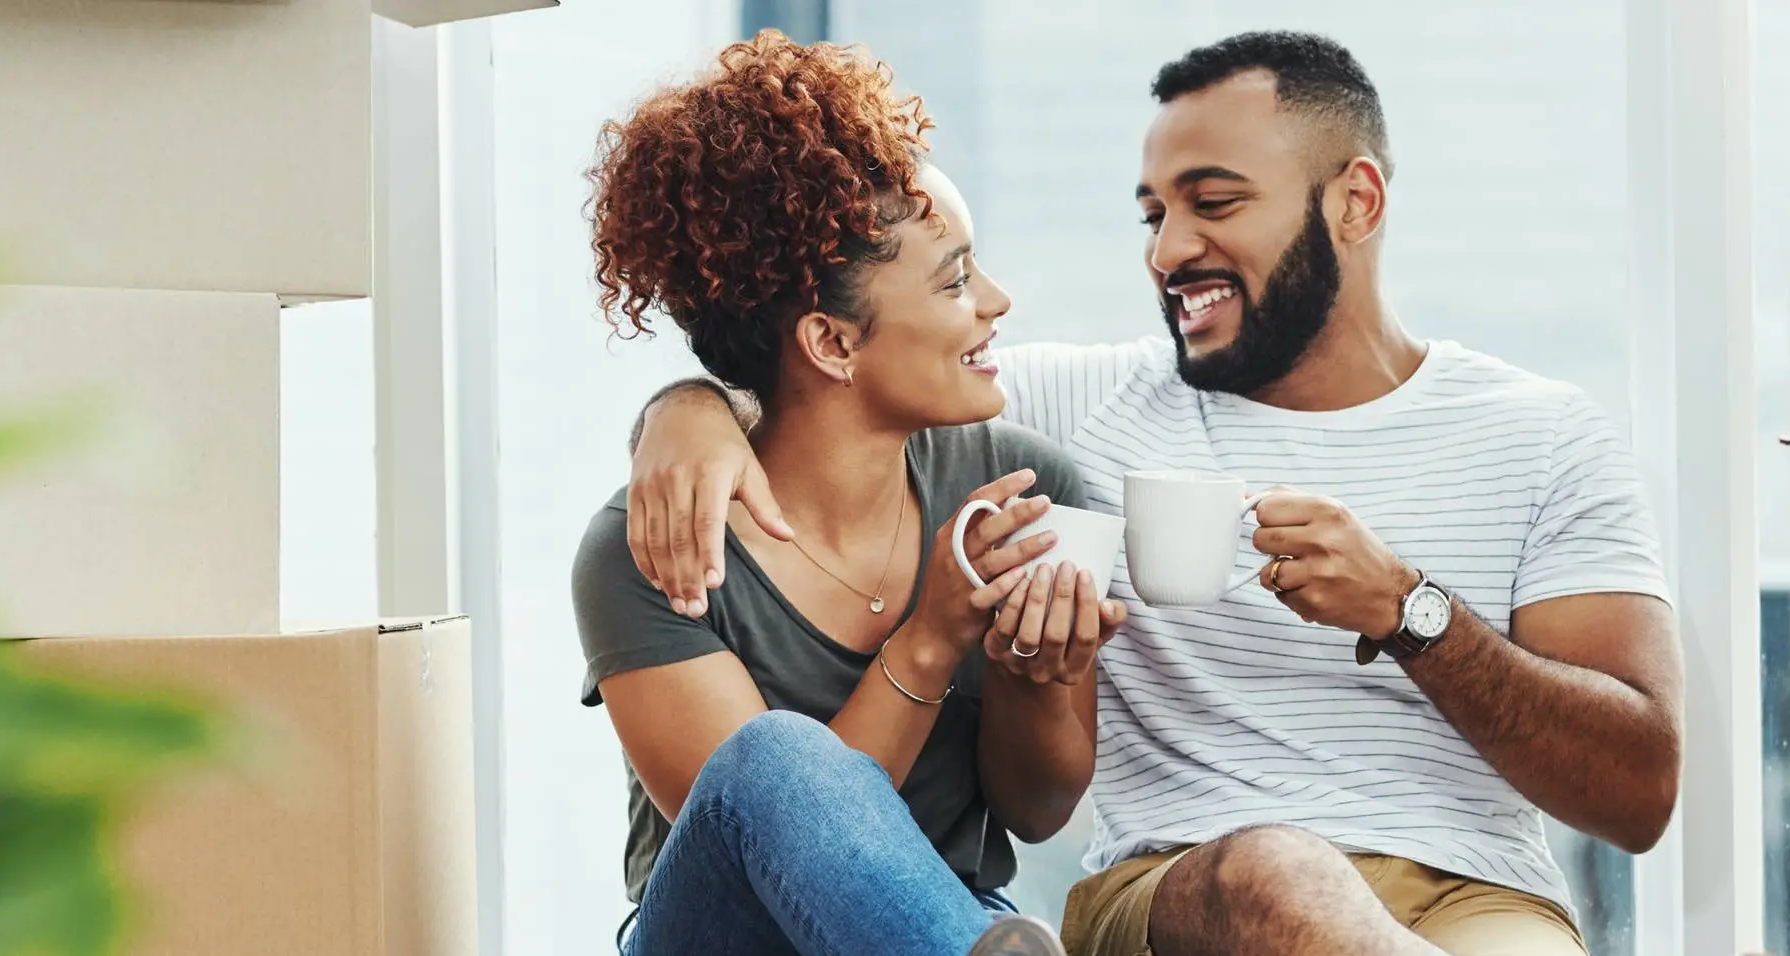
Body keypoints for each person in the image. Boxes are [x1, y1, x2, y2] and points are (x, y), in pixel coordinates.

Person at [619, 31, 1684, 956]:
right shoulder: (1061, 412)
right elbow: (837, 383)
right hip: (1194, 888)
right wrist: (686, 409)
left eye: (1214, 204)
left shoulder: (1545, 435)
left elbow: (1637, 795)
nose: (1171, 250)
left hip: (1474, 896)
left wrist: (1414, 613)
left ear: (1355, 202)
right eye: (1153, 214)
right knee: (1276, 876)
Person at [571, 31, 1126, 956]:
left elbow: (1037, 811)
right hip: (724, 940)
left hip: (949, 926)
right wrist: (936, 635)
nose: (998, 300)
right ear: (831, 343)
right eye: (955, 281)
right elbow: (766, 846)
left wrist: (1039, 678)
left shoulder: (1028, 489)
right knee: (774, 759)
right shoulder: (654, 544)